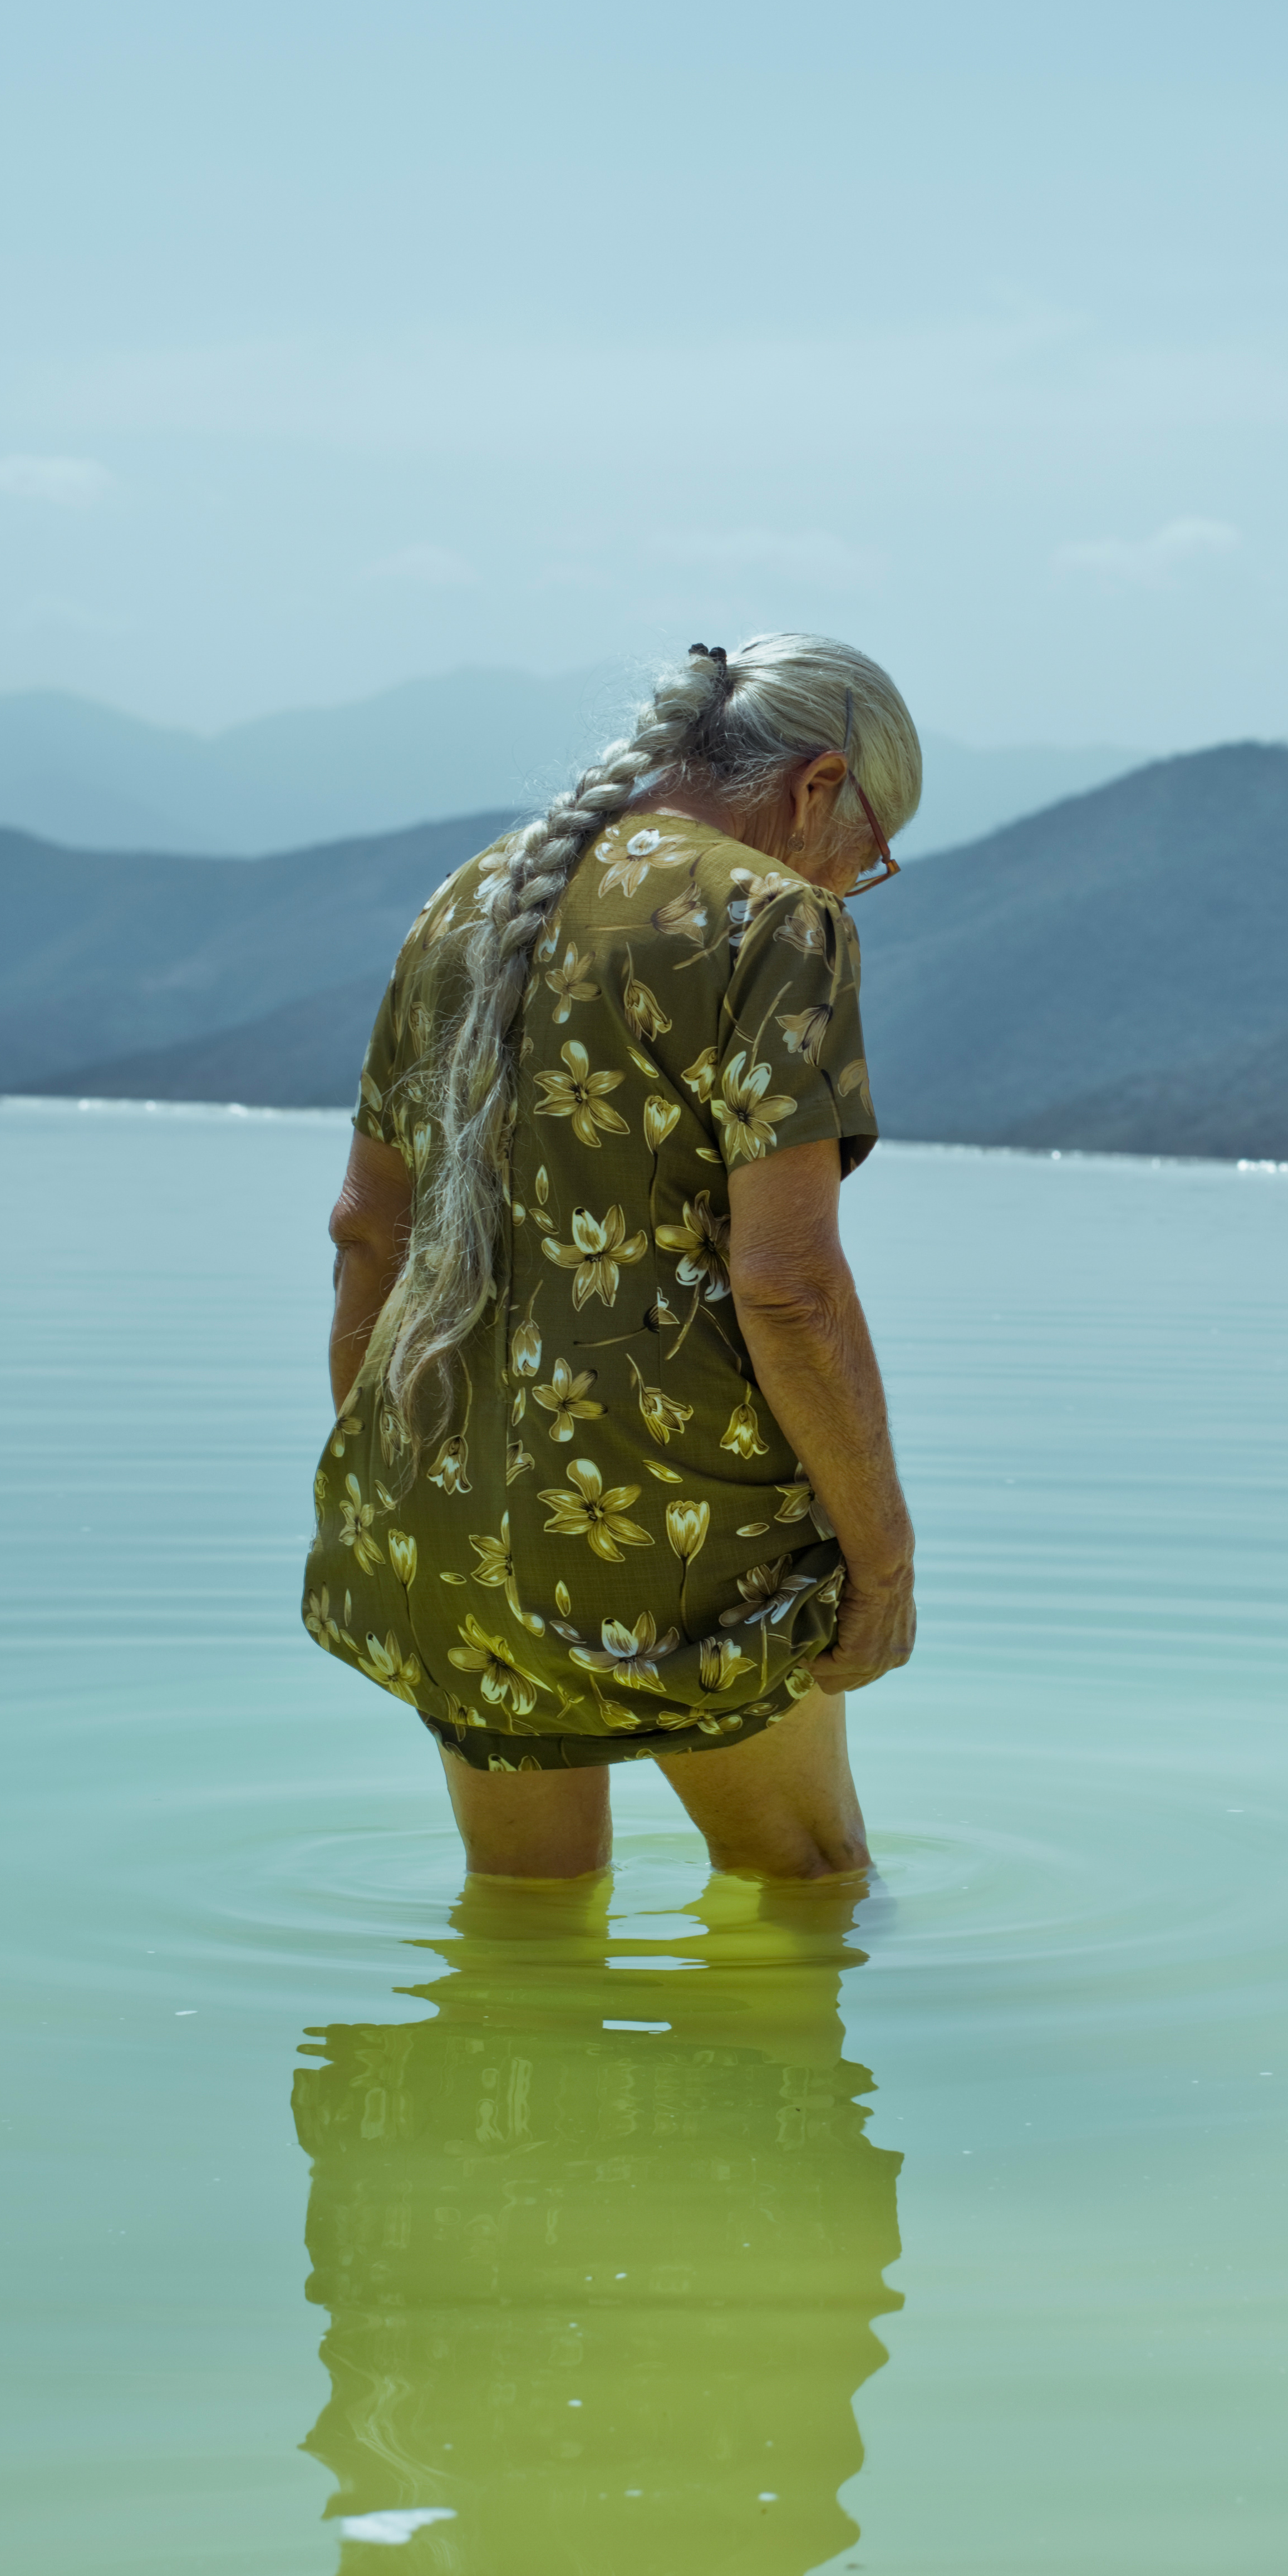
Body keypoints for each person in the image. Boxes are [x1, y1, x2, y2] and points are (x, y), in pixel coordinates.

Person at [304, 634, 921, 1885]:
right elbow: (788, 1287)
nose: (860, 881)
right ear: (816, 787)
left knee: (526, 1918)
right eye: (873, 849)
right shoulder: (767, 918)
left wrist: (412, 1488)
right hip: (677, 1536)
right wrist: (884, 1558)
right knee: (806, 1882)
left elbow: (366, 1231)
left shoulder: (467, 901)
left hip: (439, 1513)